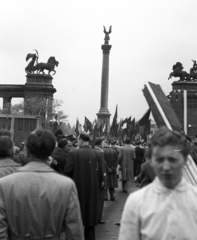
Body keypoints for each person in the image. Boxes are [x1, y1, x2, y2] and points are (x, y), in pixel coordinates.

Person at [0, 129, 83, 240]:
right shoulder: (67, 185)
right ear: (51, 151)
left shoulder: (5, 184)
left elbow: (1, 230)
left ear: (26, 149)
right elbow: (75, 232)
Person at [119, 126, 197, 240]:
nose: (166, 167)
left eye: (172, 159)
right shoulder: (136, 202)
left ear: (185, 160)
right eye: (159, 160)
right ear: (151, 161)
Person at [64, 133, 103, 240]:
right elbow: (101, 175)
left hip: (77, 191)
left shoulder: (73, 153)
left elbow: (67, 172)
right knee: (90, 223)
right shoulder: (98, 154)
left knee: (75, 221)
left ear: (81, 140)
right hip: (92, 191)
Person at [95, 137, 106, 224]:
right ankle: (98, 217)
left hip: (93, 178)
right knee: (99, 199)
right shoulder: (100, 153)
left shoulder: (91, 151)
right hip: (99, 179)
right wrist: (103, 180)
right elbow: (102, 168)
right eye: (103, 142)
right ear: (99, 143)